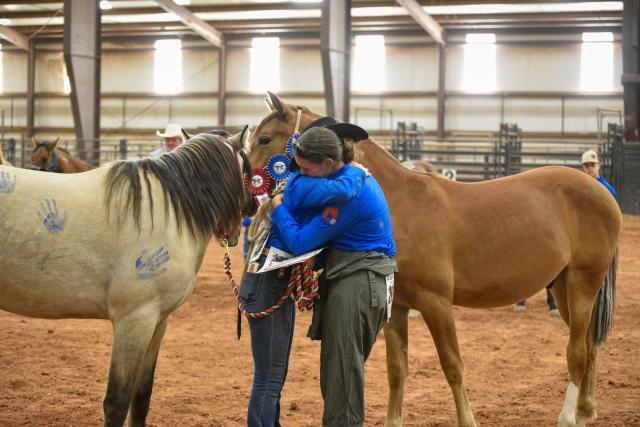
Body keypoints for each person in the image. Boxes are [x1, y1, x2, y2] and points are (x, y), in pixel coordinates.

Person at [270, 124, 397, 427]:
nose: (301, 174)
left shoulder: (347, 195)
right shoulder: (349, 177)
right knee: (339, 371)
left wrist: (277, 209)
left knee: (341, 376)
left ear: (328, 163)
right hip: (363, 277)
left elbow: (300, 241)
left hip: (360, 279)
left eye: (306, 168)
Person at [239, 145, 369, 427]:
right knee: (269, 378)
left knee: (273, 375)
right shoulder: (299, 190)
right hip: (268, 284)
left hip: (268, 283)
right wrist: (356, 173)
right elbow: (301, 240)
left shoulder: (295, 188)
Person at [514, 149, 617, 316]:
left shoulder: (607, 190)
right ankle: (546, 301)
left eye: (592, 165)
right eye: (586, 166)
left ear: (599, 165)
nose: (590, 169)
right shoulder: (577, 189)